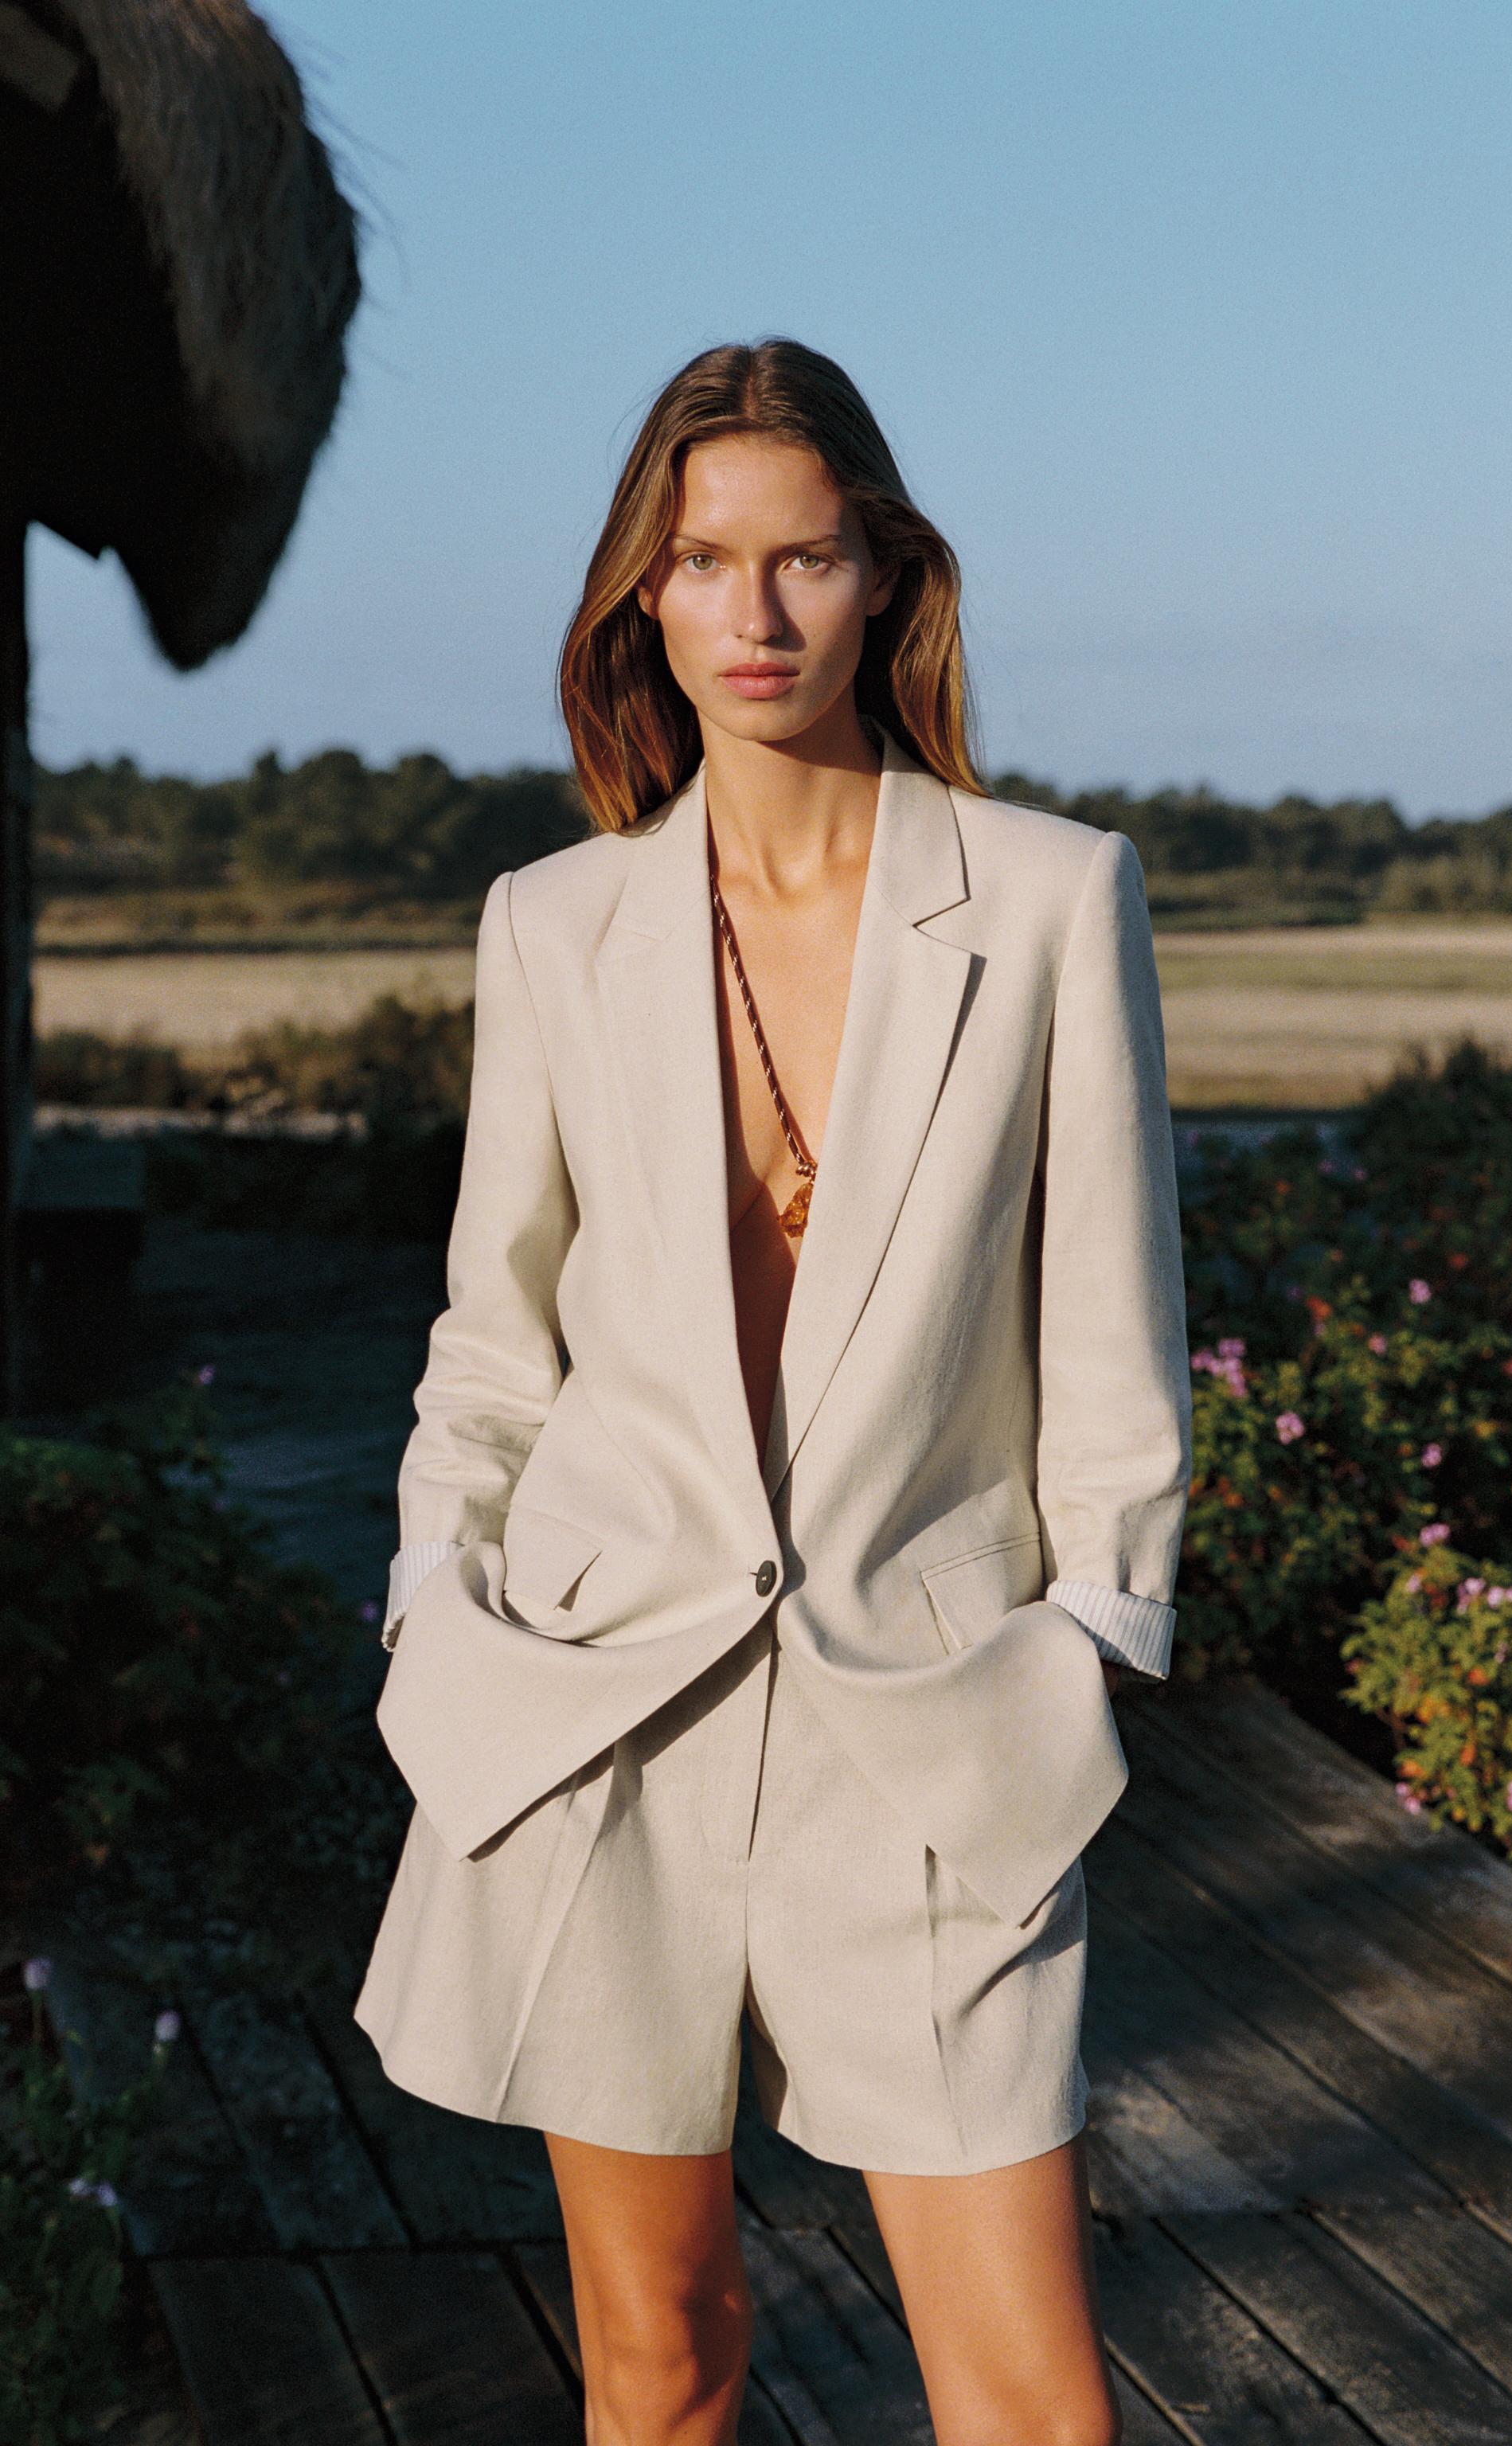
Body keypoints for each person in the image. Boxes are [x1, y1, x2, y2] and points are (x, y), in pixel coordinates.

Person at [354, 336, 1192, 2446]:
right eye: (703, 561)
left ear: (887, 573)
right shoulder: (552, 926)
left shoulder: (1053, 898)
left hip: (931, 1720)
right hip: (600, 1708)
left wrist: (1089, 1641)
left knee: (1031, 2401)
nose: (754, 612)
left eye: (804, 557)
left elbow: (1113, 1341)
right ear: (643, 594)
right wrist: (435, 1600)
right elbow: (494, 1338)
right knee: (661, 2356)